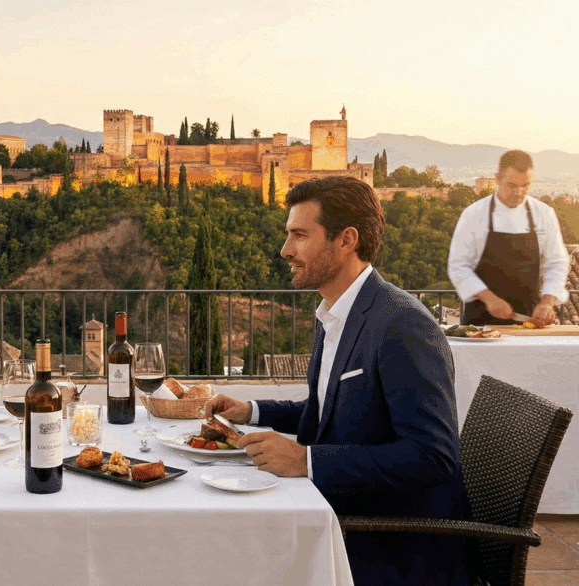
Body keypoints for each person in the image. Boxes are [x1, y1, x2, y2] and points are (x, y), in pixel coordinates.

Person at [206, 176, 469, 584]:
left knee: (228, 549)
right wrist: (252, 411)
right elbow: (332, 411)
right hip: (342, 511)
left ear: (346, 240)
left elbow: (432, 456)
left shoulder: (401, 324)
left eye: (300, 235)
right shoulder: (337, 312)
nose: (285, 250)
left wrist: (305, 460)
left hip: (388, 543)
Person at [448, 150, 570, 326]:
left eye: (525, 185)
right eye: (512, 185)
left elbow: (557, 262)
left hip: (529, 321)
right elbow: (458, 266)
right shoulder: (474, 214)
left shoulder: (544, 214)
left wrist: (547, 302)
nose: (519, 192)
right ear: (498, 178)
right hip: (481, 322)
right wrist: (490, 299)